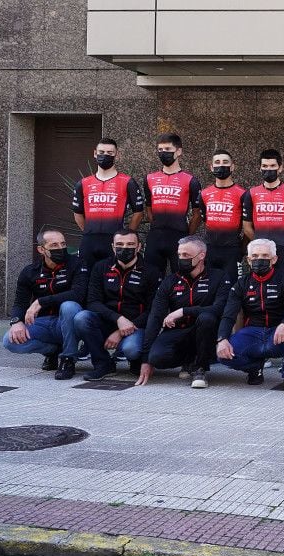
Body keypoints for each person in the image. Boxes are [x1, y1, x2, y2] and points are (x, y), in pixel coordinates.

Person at [136, 236, 231, 389]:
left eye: (186, 255)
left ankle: (200, 369)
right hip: (178, 331)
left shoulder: (219, 277)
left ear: (201, 255)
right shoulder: (170, 280)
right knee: (156, 358)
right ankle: (188, 360)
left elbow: (220, 308)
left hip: (207, 332)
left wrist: (183, 311)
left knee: (206, 318)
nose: (181, 259)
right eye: (179, 255)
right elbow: (155, 316)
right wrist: (146, 360)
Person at [216, 239, 284, 394]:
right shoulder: (241, 284)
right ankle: (255, 367)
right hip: (253, 333)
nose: (259, 260)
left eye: (265, 256)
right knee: (223, 355)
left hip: (278, 334)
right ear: (249, 260)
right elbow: (229, 314)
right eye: (255, 256)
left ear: (274, 259)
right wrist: (222, 338)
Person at [73, 228, 162, 381]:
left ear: (139, 247)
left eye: (130, 244)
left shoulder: (151, 271)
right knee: (81, 318)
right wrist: (118, 319)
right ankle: (103, 364)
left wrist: (122, 331)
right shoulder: (101, 267)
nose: (125, 248)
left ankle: (135, 360)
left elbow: (154, 310)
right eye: (119, 244)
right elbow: (93, 302)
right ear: (113, 247)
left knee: (131, 349)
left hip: (137, 325)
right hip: (108, 321)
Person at [3, 229, 87, 380]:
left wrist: (41, 301)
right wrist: (16, 321)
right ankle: (53, 351)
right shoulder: (30, 272)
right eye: (54, 245)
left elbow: (78, 294)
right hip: (43, 323)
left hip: (70, 321)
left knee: (69, 306)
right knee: (9, 341)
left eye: (63, 244)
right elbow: (20, 302)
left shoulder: (77, 264)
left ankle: (68, 359)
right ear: (41, 249)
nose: (60, 248)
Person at [71, 137, 145, 270]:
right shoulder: (83, 183)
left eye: (110, 153)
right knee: (85, 280)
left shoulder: (128, 182)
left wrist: (126, 235)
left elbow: (139, 212)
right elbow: (77, 214)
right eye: (101, 152)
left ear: (117, 154)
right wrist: (89, 232)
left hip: (115, 241)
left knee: (113, 282)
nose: (105, 156)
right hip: (89, 241)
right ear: (95, 153)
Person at [143, 133, 202, 274]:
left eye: (168, 149)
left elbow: (197, 214)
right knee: (150, 278)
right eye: (160, 150)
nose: (164, 153)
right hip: (155, 237)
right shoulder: (149, 178)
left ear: (178, 151)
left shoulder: (191, 180)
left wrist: (188, 235)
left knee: (181, 278)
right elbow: (148, 207)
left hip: (179, 236)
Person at [241, 148, 284, 269]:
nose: (268, 169)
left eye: (272, 165)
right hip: (260, 252)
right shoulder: (251, 193)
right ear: (260, 168)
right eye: (265, 166)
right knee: (261, 286)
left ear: (280, 168)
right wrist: (260, 244)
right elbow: (246, 227)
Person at [198, 149, 245, 279]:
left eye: (225, 162)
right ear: (211, 167)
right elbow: (205, 220)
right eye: (217, 162)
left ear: (232, 166)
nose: (221, 165)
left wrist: (242, 249)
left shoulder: (242, 194)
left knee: (233, 291)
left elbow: (247, 226)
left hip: (232, 251)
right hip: (210, 249)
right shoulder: (204, 194)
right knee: (208, 290)